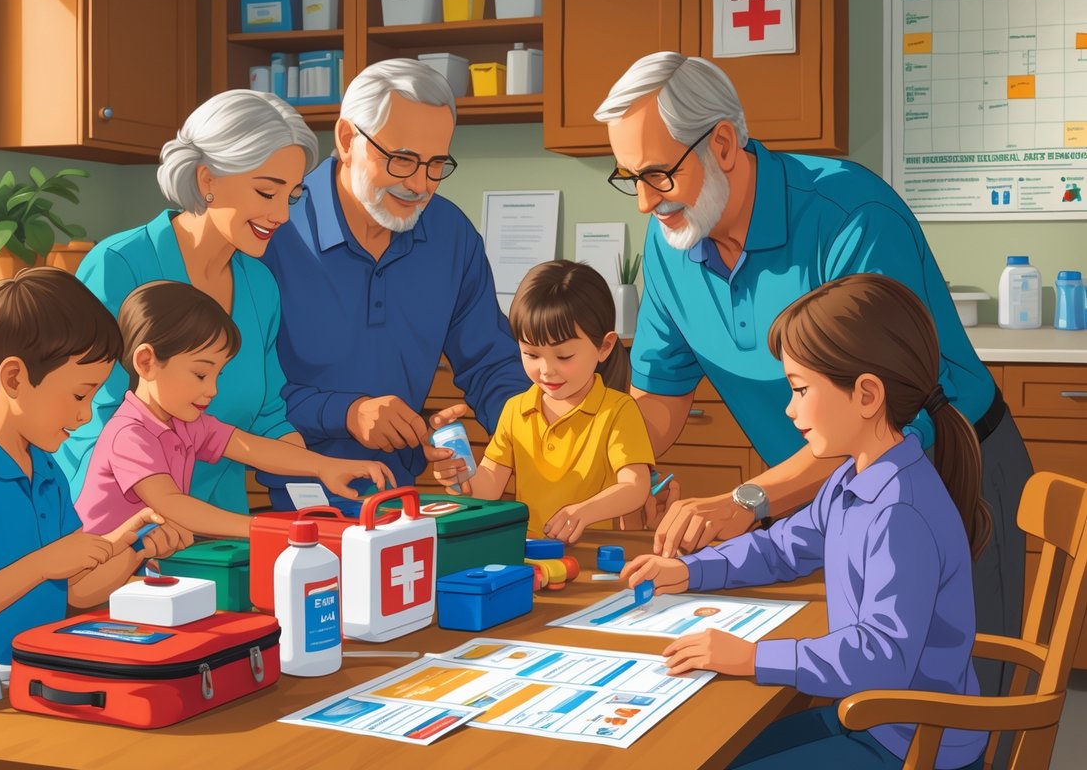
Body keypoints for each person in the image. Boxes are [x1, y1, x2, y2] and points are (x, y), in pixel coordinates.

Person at [594, 52, 1032, 696]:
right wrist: (615, 469)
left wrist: (746, 500)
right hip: (824, 496)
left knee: (960, 707)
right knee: (850, 686)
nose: (644, 201)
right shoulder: (671, 244)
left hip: (947, 472)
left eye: (658, 174)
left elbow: (877, 417)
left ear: (721, 143)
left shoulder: (849, 215)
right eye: (629, 177)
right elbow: (657, 400)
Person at [623, 274, 987, 770]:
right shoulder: (850, 481)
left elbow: (879, 656)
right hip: (870, 717)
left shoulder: (900, 510)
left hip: (913, 740)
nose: (790, 409)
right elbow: (780, 548)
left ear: (866, 395)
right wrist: (691, 571)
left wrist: (750, 658)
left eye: (799, 389)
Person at [260, 58, 529, 511]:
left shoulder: (451, 236)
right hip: (287, 497)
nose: (420, 185)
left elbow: (490, 364)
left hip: (400, 500)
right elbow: (235, 386)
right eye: (402, 160)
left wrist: (544, 434)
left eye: (436, 165)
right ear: (347, 140)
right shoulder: (273, 228)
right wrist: (348, 414)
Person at [0, 269, 187, 694]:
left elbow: (75, 588)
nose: (85, 415)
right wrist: (41, 565)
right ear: (14, 378)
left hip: (31, 678)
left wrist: (134, 545)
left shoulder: (46, 469)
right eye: (79, 395)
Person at [56, 90, 319, 516]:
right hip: (118, 524)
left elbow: (268, 416)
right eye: (267, 192)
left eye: (291, 196)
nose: (282, 216)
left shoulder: (260, 285)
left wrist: (317, 495)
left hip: (220, 526)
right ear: (207, 180)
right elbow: (92, 418)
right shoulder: (119, 265)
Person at [76, 282, 396, 538]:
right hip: (99, 572)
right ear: (146, 363)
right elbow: (172, 505)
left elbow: (250, 447)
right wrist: (264, 528)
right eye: (201, 374)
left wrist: (323, 466)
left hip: (144, 559)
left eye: (218, 375)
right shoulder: (128, 435)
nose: (212, 390)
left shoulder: (186, 423)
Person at [432, 261, 654, 541]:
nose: (546, 370)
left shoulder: (618, 411)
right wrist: (459, 479)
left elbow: (635, 485)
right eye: (531, 355)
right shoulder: (516, 410)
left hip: (593, 556)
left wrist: (584, 512)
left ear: (604, 347)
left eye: (563, 357)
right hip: (529, 552)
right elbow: (488, 487)